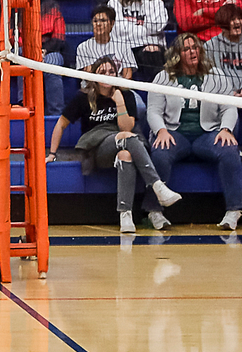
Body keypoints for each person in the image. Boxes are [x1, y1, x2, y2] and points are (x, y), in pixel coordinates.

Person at [47, 57, 175, 233]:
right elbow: (61, 124)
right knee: (127, 137)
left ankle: (125, 215)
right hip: (96, 149)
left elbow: (126, 127)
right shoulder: (83, 96)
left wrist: (119, 102)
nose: (107, 75)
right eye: (102, 72)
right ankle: (157, 185)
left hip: (122, 140)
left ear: (116, 75)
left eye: (111, 72)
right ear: (94, 75)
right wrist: (52, 154)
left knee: (126, 154)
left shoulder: (126, 95)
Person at [147, 33, 242, 230]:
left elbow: (229, 107)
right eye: (186, 49)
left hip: (208, 133)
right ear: (177, 54)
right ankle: (154, 211)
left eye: (195, 47)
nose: (192, 52)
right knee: (160, 153)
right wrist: (161, 131)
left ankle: (234, 210)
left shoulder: (216, 76)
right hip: (175, 133)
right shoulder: (163, 77)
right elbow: (154, 111)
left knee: (229, 150)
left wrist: (226, 129)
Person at [75, 4, 137, 76]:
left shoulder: (124, 46)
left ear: (112, 23)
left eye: (103, 20)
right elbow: (88, 76)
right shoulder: (83, 47)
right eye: (95, 21)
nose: (98, 24)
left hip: (117, 82)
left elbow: (127, 75)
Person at [206, 3, 242, 99]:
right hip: (222, 96)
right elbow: (209, 77)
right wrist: (228, 92)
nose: (237, 22)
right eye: (232, 20)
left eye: (239, 18)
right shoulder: (210, 46)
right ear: (223, 25)